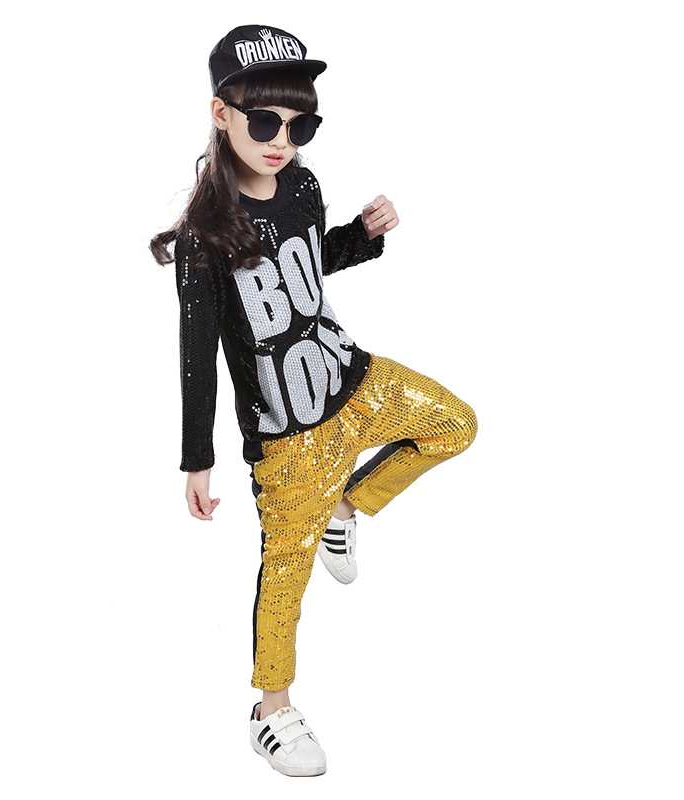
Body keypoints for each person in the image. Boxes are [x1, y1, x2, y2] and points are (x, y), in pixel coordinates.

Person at [150, 24, 477, 777]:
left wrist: (361, 234)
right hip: (289, 437)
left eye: (300, 125)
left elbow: (307, 263)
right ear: (221, 112)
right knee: (286, 576)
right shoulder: (204, 236)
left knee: (455, 424)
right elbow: (197, 355)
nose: (282, 141)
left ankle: (346, 506)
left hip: (352, 381)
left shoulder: (301, 185)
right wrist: (198, 459)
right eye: (265, 121)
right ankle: (272, 710)